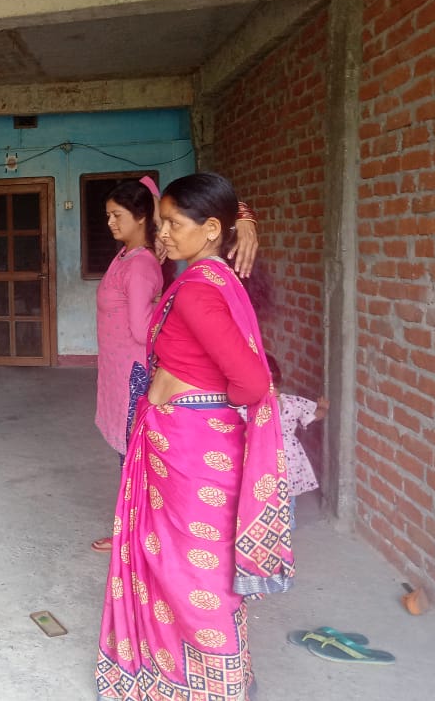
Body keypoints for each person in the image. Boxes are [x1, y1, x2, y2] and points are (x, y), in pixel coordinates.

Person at [94, 173, 293, 701]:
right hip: (180, 443)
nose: (163, 235)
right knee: (179, 564)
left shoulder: (198, 293)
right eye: (160, 223)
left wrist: (195, 407)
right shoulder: (211, 273)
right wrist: (243, 218)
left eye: (172, 225)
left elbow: (251, 383)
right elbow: (222, 205)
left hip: (189, 446)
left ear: (209, 230)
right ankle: (197, 678)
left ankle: (217, 686)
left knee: (193, 573)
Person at [92, 179, 163, 553]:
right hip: (119, 371)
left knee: (133, 456)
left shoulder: (140, 265)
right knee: (127, 453)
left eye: (117, 216)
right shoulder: (124, 257)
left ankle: (134, 535)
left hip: (133, 372)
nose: (110, 223)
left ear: (140, 217)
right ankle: (132, 531)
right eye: (107, 216)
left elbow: (142, 328)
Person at [267, 354, 326, 523]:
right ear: (281, 377)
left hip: (265, 453)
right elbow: (316, 416)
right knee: (289, 490)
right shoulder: (293, 403)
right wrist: (323, 407)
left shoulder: (254, 405)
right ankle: (288, 522)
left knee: (267, 491)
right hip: (290, 453)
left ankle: (267, 525)